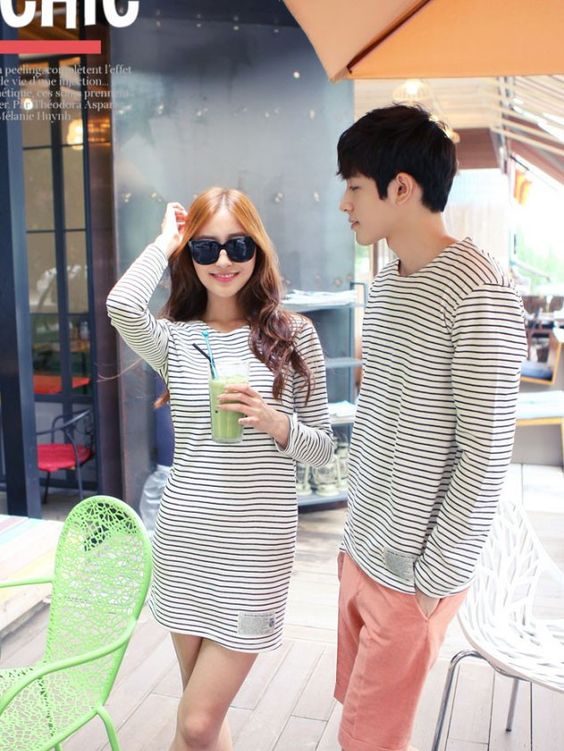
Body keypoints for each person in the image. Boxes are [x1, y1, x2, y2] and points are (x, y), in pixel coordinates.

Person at [106, 187, 334, 751]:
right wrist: (164, 242)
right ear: (190, 257)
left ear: (258, 249)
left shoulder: (293, 336)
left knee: (197, 721)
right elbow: (121, 306)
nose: (224, 260)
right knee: (199, 718)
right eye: (205, 248)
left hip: (255, 550)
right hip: (186, 541)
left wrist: (274, 422)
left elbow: (323, 449)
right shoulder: (176, 340)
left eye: (238, 245)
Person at [334, 105, 527, 751]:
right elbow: (380, 419)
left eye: (354, 186)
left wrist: (431, 583)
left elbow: (486, 453)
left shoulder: (481, 292)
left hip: (413, 575)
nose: (344, 204)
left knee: (366, 740)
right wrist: (353, 544)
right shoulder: (388, 284)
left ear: (401, 188)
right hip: (363, 550)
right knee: (359, 722)